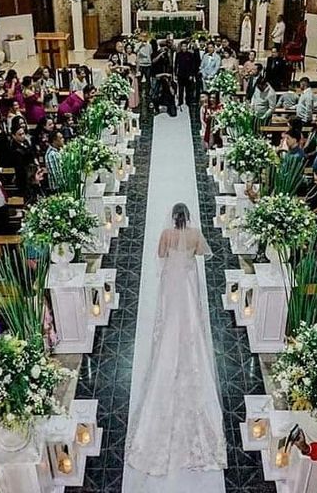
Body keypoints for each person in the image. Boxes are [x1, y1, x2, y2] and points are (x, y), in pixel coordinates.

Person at [125, 203, 227, 475]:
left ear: (172, 217)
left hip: (171, 280)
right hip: (187, 280)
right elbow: (203, 252)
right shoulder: (194, 234)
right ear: (188, 217)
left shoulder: (167, 234)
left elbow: (160, 255)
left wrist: (174, 255)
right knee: (190, 316)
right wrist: (188, 252)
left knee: (170, 316)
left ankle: (169, 343)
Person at [10, 123, 37, 194]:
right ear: (13, 136)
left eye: (23, 133)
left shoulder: (26, 142)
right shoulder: (14, 148)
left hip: (31, 172)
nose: (22, 136)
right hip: (23, 176)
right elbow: (20, 165)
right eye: (20, 134)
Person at [175, 40, 196, 107]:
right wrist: (175, 74)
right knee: (180, 89)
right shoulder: (178, 54)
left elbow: (193, 65)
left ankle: (188, 102)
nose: (184, 47)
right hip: (180, 74)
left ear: (187, 47)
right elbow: (176, 65)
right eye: (183, 46)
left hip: (188, 75)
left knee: (188, 90)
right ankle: (180, 102)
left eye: (185, 46)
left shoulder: (190, 54)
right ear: (181, 47)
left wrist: (191, 74)